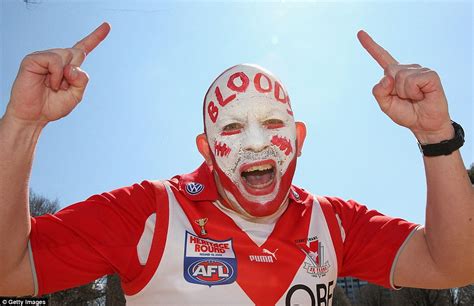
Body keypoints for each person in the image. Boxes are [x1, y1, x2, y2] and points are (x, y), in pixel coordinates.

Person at [0, 22, 472, 305]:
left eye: (272, 123)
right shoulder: (147, 212)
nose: (254, 144)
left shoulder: (333, 223)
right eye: (230, 129)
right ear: (205, 150)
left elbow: (455, 265)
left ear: (299, 138)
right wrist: (22, 125)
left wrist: (436, 137)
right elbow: (10, 271)